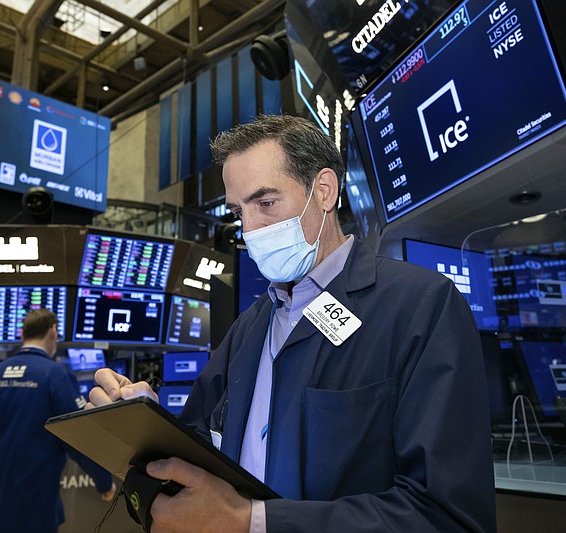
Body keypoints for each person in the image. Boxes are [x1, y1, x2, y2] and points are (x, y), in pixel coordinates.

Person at [89, 114, 496, 532]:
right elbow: (197, 450)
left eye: (265, 203)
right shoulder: (250, 328)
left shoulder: (419, 306)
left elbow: (449, 516)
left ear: (324, 191)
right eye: (238, 211)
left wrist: (253, 521)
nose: (249, 229)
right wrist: (145, 429)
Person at [0, 309, 116, 533]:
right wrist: (104, 481)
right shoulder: (54, 375)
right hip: (35, 509)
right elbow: (77, 436)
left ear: (22, 335)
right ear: (53, 332)